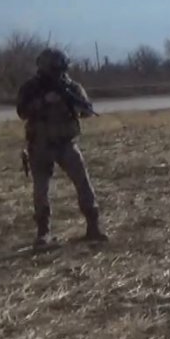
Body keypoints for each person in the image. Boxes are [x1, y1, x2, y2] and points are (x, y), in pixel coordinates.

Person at [16, 48, 107, 246]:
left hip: (66, 143)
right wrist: (43, 103)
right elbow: (22, 111)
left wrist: (73, 105)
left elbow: (87, 109)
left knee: (83, 183)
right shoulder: (32, 88)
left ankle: (93, 225)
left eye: (61, 69)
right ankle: (43, 232)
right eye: (55, 68)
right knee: (41, 190)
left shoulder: (71, 87)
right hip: (40, 145)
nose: (59, 73)